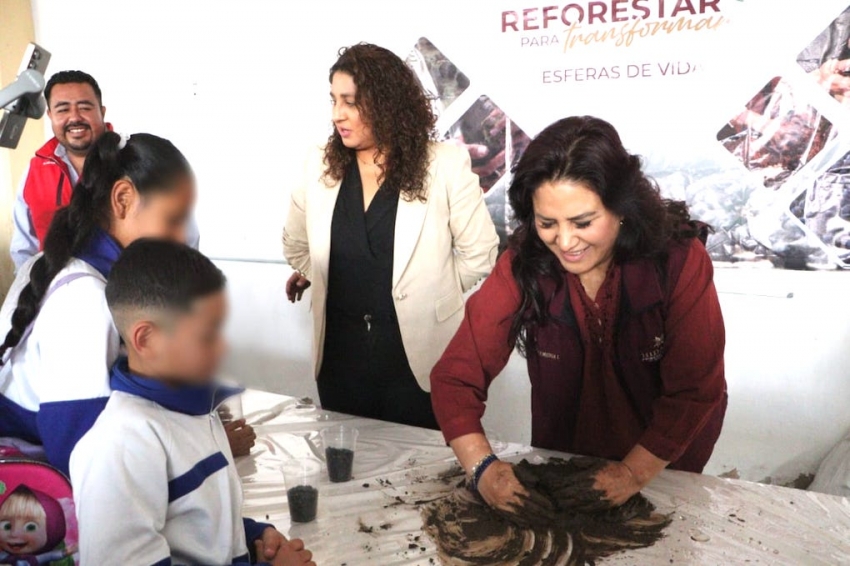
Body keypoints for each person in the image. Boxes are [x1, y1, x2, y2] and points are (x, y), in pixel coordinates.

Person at [431, 116, 727, 512]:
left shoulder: (678, 260)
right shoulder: (524, 265)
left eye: (583, 222)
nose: (566, 242)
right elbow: (455, 376)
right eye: (547, 223)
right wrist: (482, 468)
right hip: (564, 468)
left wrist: (632, 474)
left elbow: (695, 390)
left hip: (664, 469)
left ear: (621, 208)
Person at [0, 132, 253, 477]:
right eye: (173, 220)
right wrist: (202, 445)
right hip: (36, 486)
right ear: (122, 199)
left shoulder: (65, 264)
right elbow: (81, 457)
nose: (182, 238)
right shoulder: (85, 299)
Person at [283, 43, 498, 429]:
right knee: (345, 462)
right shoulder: (318, 163)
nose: (337, 114)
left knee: (423, 466)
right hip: (339, 360)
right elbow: (296, 245)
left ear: (387, 103)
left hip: (418, 362)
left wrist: (430, 294)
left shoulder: (445, 164)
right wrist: (330, 277)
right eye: (334, 100)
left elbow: (479, 253)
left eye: (350, 102)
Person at [70, 240, 314, 566]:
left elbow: (202, 526)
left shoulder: (198, 412)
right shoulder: (121, 447)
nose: (223, 347)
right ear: (146, 339)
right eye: (206, 335)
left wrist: (255, 537)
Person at [10, 70, 198, 269]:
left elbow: (184, 231)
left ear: (102, 111)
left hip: (129, 284)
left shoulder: (134, 161)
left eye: (85, 107)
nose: (74, 117)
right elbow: (24, 247)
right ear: (50, 115)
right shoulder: (35, 171)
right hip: (56, 284)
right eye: (63, 110)